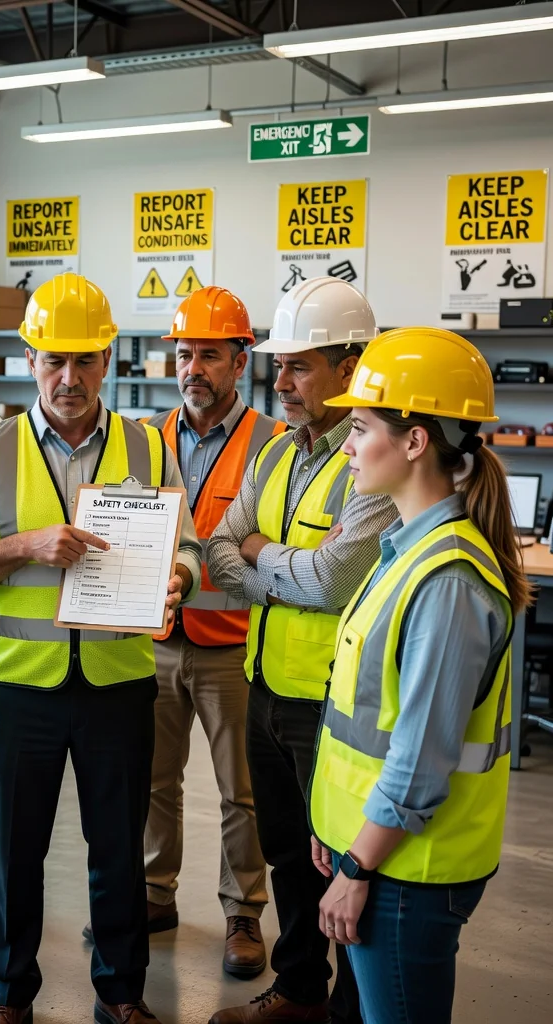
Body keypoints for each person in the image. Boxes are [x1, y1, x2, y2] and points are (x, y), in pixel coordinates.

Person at [0, 273, 205, 1024]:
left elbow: (186, 545)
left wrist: (177, 576)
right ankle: (9, 997)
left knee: (118, 847)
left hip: (119, 682)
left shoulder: (149, 449)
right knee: (15, 853)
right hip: (20, 686)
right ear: (29, 358)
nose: (69, 377)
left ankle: (121, 994)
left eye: (85, 360)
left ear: (109, 358)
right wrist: (24, 545)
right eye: (54, 360)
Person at [309, 328, 532, 1024]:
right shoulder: (408, 549)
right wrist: (334, 826)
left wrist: (358, 867)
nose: (346, 443)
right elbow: (366, 714)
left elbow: (422, 759)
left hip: (410, 872)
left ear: (414, 442)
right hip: (385, 855)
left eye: (363, 426)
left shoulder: (448, 581)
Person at [206, 277, 395, 1024]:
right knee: (286, 853)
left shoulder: (374, 458)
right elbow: (223, 548)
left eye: (299, 366)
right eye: (278, 366)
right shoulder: (279, 453)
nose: (279, 382)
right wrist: (277, 566)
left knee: (343, 865)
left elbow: (336, 577)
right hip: (267, 689)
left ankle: (354, 1004)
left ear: (350, 367)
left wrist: (262, 560)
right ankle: (298, 989)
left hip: (335, 705)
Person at [88, 287, 283, 974]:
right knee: (153, 779)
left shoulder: (273, 444)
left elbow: (265, 543)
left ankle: (242, 913)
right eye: (183, 355)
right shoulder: (146, 440)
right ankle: (153, 891)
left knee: (242, 789)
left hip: (230, 645)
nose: (192, 368)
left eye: (208, 355)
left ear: (239, 361)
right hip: (156, 641)